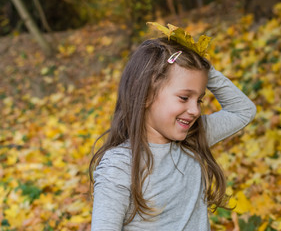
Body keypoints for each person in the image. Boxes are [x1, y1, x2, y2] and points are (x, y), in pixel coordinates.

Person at [89, 36, 256, 230]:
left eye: (199, 100)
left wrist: (203, 68)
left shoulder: (193, 139)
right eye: (184, 97)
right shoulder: (120, 165)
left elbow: (243, 111)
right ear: (146, 95)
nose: (195, 110)